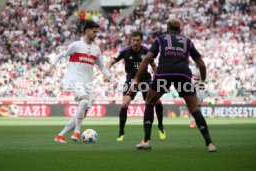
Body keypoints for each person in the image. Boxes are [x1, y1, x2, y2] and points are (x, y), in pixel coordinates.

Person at [128, 18, 216, 152]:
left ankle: (146, 141)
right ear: (180, 30)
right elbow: (202, 64)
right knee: (194, 109)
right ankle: (210, 144)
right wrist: (202, 82)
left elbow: (147, 59)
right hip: (183, 75)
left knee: (150, 102)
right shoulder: (187, 41)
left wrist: (136, 80)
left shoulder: (160, 39)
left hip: (164, 73)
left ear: (167, 29)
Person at [47, 20, 111, 143]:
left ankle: (60, 136)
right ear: (86, 30)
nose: (96, 34)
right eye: (94, 31)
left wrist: (110, 77)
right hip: (74, 79)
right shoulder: (76, 45)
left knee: (83, 112)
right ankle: (77, 131)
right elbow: (60, 55)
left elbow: (102, 66)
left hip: (87, 83)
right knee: (84, 99)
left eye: (97, 31)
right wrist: (51, 66)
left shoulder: (96, 49)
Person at [107, 31, 166, 141]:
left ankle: (160, 126)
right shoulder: (125, 51)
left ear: (141, 40)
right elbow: (110, 61)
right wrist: (107, 72)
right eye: (133, 40)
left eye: (137, 40)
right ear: (131, 40)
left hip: (145, 80)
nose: (135, 42)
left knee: (157, 101)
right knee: (125, 104)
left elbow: (153, 65)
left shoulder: (146, 51)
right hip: (131, 80)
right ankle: (121, 132)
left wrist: (158, 79)